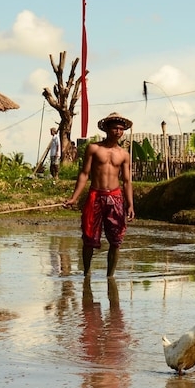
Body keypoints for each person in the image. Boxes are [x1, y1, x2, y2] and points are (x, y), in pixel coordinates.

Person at [64, 112, 135, 277]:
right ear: (107, 129)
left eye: (121, 129)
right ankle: (86, 274)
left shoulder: (124, 154)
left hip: (115, 197)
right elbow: (84, 174)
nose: (118, 131)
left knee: (116, 239)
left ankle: (110, 277)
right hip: (96, 195)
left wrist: (130, 204)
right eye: (115, 128)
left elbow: (127, 181)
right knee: (89, 236)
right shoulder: (94, 148)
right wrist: (74, 198)